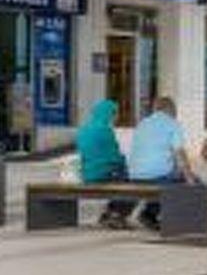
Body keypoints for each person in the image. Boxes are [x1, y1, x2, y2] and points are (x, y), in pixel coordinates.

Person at [126, 96, 199, 229]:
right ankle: (182, 223)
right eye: (175, 112)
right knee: (194, 181)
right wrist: (190, 178)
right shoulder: (172, 124)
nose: (176, 115)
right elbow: (180, 154)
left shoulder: (142, 123)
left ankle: (149, 215)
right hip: (157, 177)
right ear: (170, 109)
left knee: (166, 177)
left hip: (134, 176)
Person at [75, 98, 132, 227]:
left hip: (87, 174)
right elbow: (114, 157)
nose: (116, 117)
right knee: (135, 182)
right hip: (102, 175)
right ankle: (116, 215)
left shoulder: (83, 130)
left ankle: (109, 213)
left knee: (123, 177)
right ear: (108, 113)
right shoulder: (105, 130)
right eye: (115, 113)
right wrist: (125, 163)